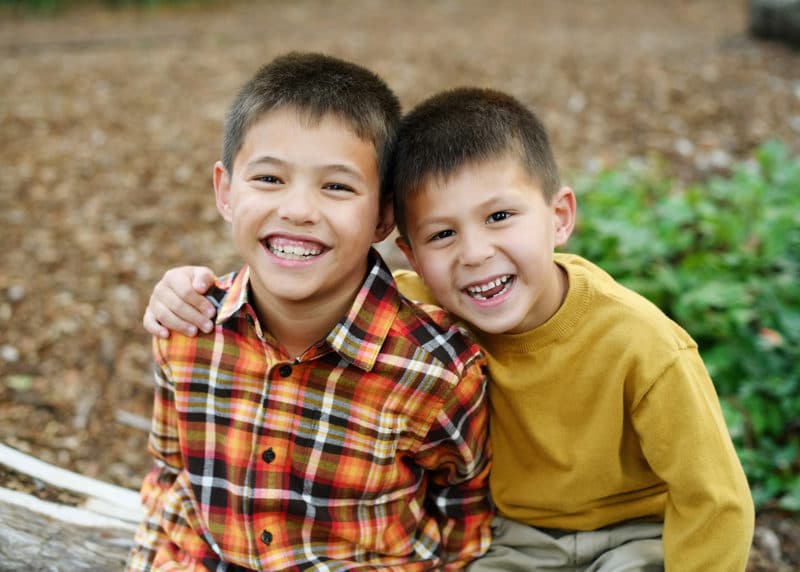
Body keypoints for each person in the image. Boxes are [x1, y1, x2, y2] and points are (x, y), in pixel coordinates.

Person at [143, 86, 755, 571]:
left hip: (636, 534)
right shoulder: (422, 308)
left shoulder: (644, 347)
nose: (475, 253)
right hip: (517, 539)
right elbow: (315, 277)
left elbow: (716, 501)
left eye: (500, 217)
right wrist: (188, 288)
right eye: (443, 234)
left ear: (560, 216)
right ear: (407, 251)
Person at [127, 53, 493, 571]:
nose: (298, 210)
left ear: (384, 215)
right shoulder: (188, 330)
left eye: (336, 186)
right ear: (226, 192)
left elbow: (463, 516)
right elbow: (171, 476)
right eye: (270, 179)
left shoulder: (439, 374)